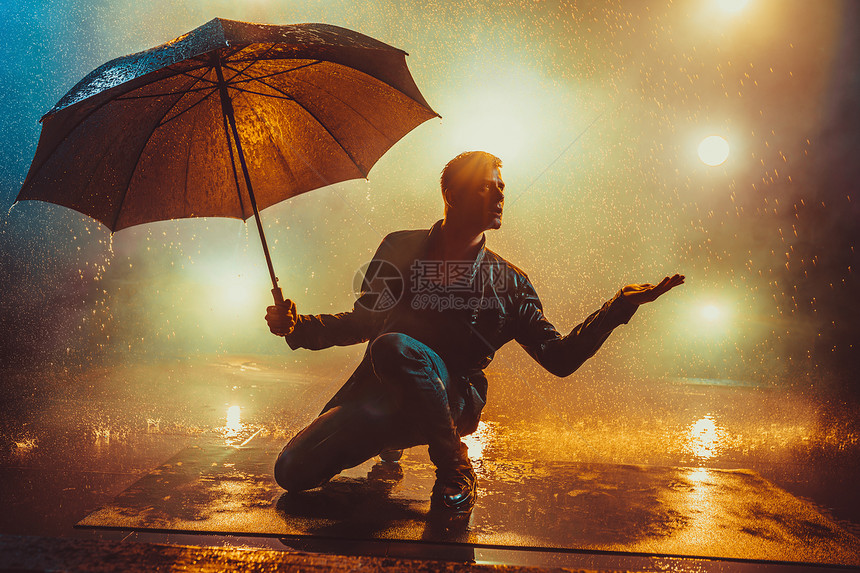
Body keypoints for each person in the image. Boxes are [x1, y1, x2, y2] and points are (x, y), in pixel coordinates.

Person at [265, 151, 684, 513]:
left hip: (455, 400)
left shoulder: (510, 282)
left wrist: (619, 306)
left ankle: (454, 467)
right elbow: (364, 321)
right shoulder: (400, 248)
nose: (501, 195)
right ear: (451, 195)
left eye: (501, 187)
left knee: (395, 346)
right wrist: (298, 327)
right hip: (375, 396)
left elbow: (559, 359)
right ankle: (393, 435)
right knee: (292, 472)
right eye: (487, 187)